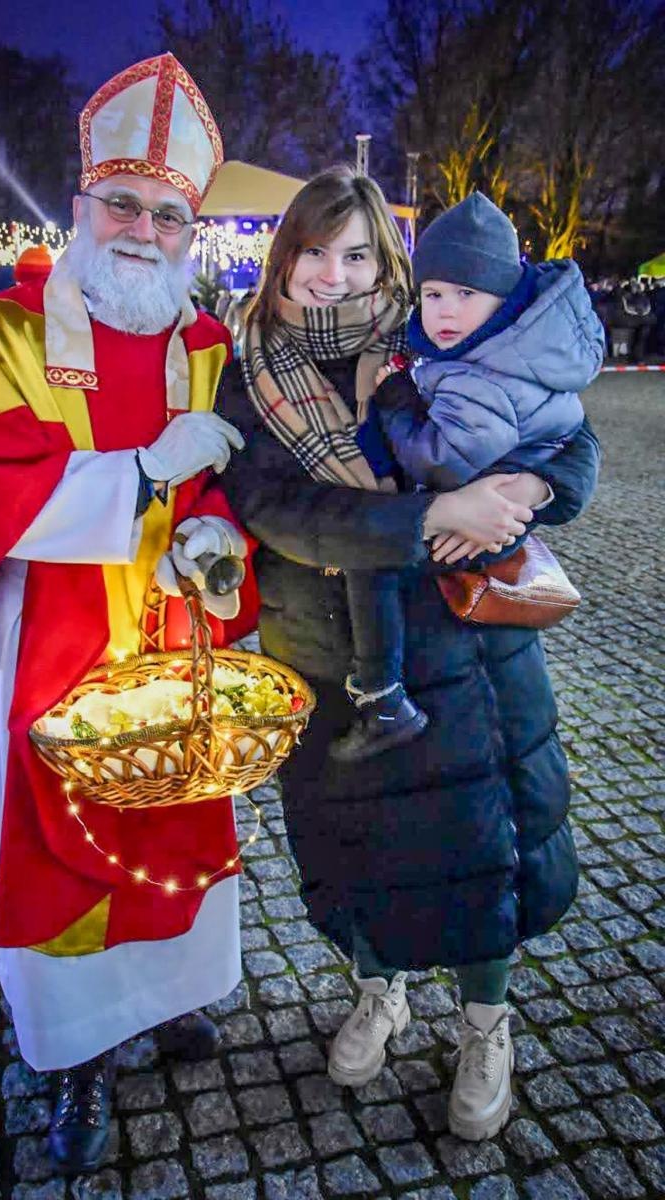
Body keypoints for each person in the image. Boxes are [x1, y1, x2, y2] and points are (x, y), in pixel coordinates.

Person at [0, 53, 257, 1175]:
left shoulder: (203, 347)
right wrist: (146, 474)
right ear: (78, 206)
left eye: (169, 215)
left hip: (174, 642)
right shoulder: (8, 334)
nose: (144, 230)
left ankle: (166, 1000)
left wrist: (210, 541)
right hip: (51, 643)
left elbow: (217, 498)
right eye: (122, 203)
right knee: (64, 852)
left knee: (173, 824)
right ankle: (72, 1057)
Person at [217, 165, 601, 1141]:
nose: (332, 274)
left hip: (462, 650)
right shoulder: (249, 367)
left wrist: (521, 495)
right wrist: (432, 510)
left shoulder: (436, 336)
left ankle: (484, 1024)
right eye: (312, 249)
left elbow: (569, 445)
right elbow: (276, 508)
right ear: (283, 255)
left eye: (354, 252)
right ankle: (377, 992)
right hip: (324, 655)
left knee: (480, 848)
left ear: (384, 257)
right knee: (358, 855)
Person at [329, 192, 603, 761]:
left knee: (369, 556)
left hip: (483, 519)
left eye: (466, 294)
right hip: (490, 504)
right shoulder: (510, 346)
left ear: (503, 299)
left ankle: (381, 696)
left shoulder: (486, 371)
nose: (446, 311)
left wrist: (396, 400)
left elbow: (439, 460)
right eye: (433, 295)